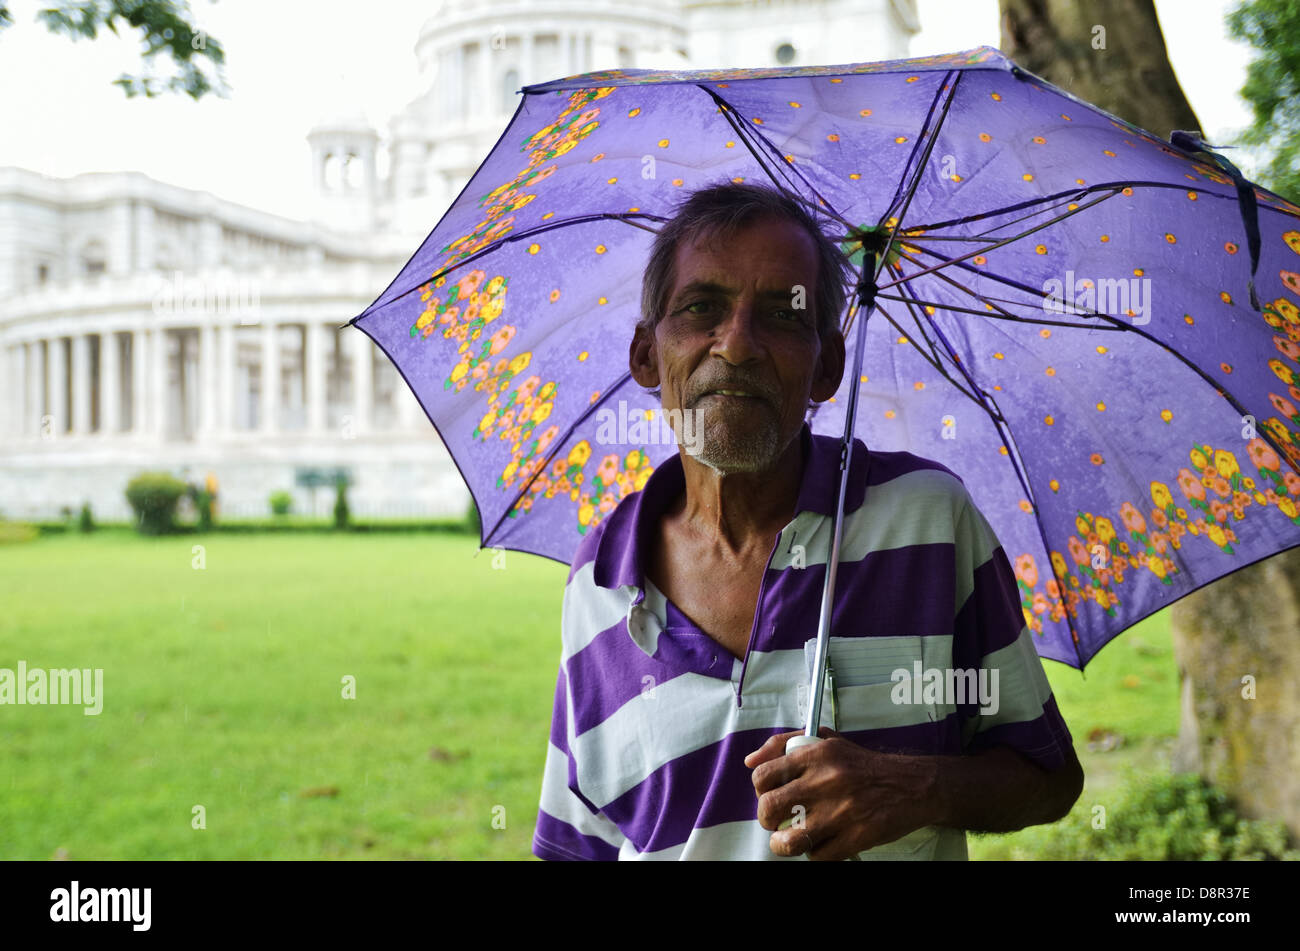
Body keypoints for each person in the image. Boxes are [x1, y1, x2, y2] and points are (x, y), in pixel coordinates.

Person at [531, 181, 1084, 861]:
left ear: (827, 367)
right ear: (647, 354)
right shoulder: (603, 575)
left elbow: (1049, 775)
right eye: (703, 307)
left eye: (781, 315)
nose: (735, 346)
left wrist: (915, 786)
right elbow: (578, 845)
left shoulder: (929, 523)